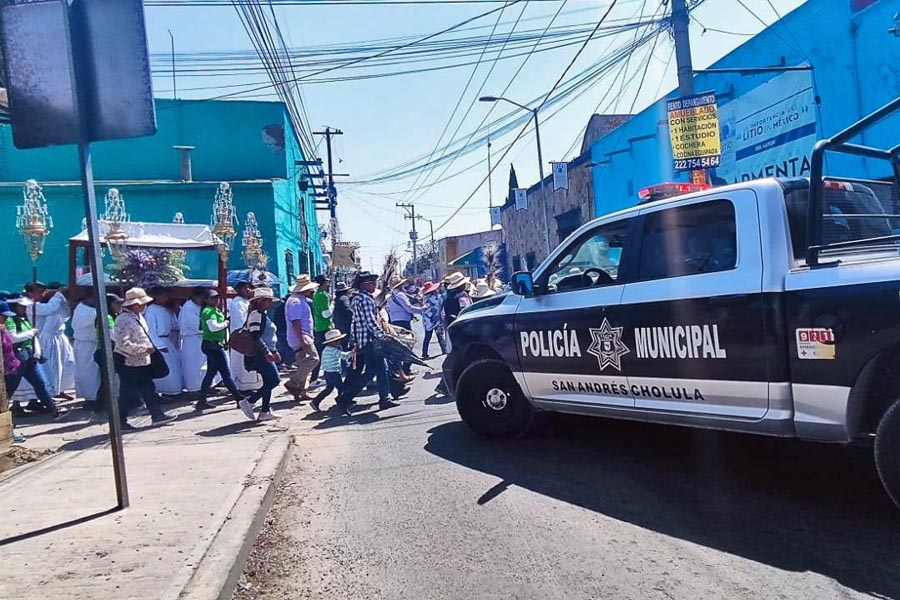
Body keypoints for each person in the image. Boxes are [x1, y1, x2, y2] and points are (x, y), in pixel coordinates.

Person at [112, 287, 177, 430]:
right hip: (128, 362)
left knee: (148, 388)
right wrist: (143, 349)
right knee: (127, 393)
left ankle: (157, 415)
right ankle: (120, 421)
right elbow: (123, 343)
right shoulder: (123, 319)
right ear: (134, 304)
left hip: (141, 361)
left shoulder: (138, 317)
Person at [336, 272, 398, 411]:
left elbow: (355, 322)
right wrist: (383, 335)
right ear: (365, 284)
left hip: (364, 340)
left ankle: (384, 399)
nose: (375, 284)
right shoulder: (366, 299)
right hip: (371, 341)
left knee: (380, 370)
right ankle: (346, 397)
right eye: (372, 282)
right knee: (373, 371)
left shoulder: (357, 299)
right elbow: (371, 322)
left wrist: (355, 339)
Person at [7, 295, 69, 419]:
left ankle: (54, 410)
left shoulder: (23, 319)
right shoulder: (10, 320)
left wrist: (37, 352)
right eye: (21, 306)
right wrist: (30, 333)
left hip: (29, 357)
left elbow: (34, 336)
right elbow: (12, 338)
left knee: (40, 384)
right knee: (10, 388)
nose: (24, 309)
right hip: (17, 358)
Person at [196, 289, 250, 415]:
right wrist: (225, 323)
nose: (216, 300)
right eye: (213, 298)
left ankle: (201, 401)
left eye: (217, 297)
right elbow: (213, 327)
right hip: (213, 346)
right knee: (226, 374)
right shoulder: (209, 311)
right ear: (206, 300)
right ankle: (239, 398)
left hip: (213, 345)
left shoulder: (214, 310)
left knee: (210, 373)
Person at [26, 282, 75, 400]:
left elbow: (64, 313)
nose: (42, 294)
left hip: (57, 338)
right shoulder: (30, 306)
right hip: (44, 340)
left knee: (65, 364)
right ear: (29, 293)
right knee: (51, 367)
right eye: (39, 292)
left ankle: (59, 389)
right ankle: (49, 392)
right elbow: (50, 309)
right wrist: (58, 295)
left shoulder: (44, 302)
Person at [242, 287, 282, 422]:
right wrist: (267, 352)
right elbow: (255, 336)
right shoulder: (256, 315)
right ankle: (250, 401)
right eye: (268, 301)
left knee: (268, 381)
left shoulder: (262, 315)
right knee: (274, 380)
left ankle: (265, 411)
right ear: (261, 301)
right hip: (260, 354)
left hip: (265, 352)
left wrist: (274, 351)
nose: (270, 304)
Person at [284, 275, 320, 402]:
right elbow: (296, 322)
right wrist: (302, 338)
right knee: (314, 359)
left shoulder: (298, 300)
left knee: (304, 363)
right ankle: (294, 382)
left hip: (302, 335)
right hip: (302, 336)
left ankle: (301, 391)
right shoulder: (296, 302)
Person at [144, 286, 184, 397]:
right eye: (163, 295)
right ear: (156, 296)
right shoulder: (151, 310)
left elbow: (175, 325)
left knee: (175, 367)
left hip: (168, 340)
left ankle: (175, 390)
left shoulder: (167, 309)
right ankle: (164, 391)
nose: (166, 298)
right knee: (166, 368)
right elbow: (150, 330)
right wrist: (159, 345)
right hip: (159, 341)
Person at [92, 293, 123, 418]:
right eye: (117, 303)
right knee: (107, 381)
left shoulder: (112, 316)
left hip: (111, 351)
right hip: (106, 353)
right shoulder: (106, 318)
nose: (119, 306)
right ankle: (98, 409)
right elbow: (113, 335)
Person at [310, 329, 352, 416]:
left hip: (327, 372)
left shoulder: (325, 350)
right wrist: (353, 352)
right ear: (332, 342)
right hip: (334, 373)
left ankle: (316, 401)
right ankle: (342, 404)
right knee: (341, 388)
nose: (339, 343)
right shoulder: (333, 351)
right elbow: (344, 356)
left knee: (329, 389)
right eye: (337, 341)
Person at [228, 281, 261, 392]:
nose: (248, 290)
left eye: (249, 288)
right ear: (239, 290)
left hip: (250, 336)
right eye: (245, 288)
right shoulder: (237, 303)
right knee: (242, 363)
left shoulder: (247, 302)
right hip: (242, 338)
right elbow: (240, 320)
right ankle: (243, 387)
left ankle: (251, 386)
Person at [0, 301, 26, 442]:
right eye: (3, 316)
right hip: (3, 374)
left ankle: (8, 433)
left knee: (5, 403)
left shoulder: (3, 330)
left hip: (9, 370)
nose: (5, 319)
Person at [71, 295, 100, 404]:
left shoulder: (80, 307)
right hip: (90, 344)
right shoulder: (93, 313)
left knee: (83, 371)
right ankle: (92, 397)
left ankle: (89, 396)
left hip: (80, 343)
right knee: (91, 372)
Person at [179, 287, 206, 394]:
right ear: (195, 296)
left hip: (200, 339)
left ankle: (202, 387)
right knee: (193, 365)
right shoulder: (188, 307)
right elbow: (195, 325)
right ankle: (193, 389)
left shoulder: (199, 306)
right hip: (192, 340)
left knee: (201, 364)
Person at [309, 274, 332, 385]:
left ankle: (315, 378)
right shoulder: (323, 295)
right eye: (326, 282)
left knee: (320, 353)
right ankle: (315, 379)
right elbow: (325, 314)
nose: (328, 284)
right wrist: (333, 305)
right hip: (325, 327)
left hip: (319, 327)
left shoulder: (316, 295)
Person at [421, 282, 446, 359]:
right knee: (440, 335)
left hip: (427, 320)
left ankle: (424, 353)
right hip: (436, 318)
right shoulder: (436, 297)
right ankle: (444, 350)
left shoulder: (425, 298)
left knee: (428, 336)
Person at [273, 295, 295, 369]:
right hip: (284, 331)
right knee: (288, 348)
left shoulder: (280, 308)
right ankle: (287, 363)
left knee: (282, 348)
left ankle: (281, 363)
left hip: (281, 330)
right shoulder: (288, 309)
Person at [331, 282, 353, 349]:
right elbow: (348, 310)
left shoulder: (337, 299)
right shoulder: (344, 298)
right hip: (345, 324)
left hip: (338, 323)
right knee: (345, 344)